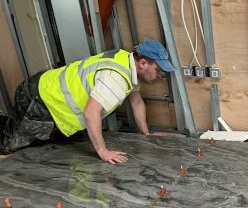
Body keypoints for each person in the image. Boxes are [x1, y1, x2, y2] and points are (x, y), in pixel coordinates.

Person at [0, 38, 174, 164]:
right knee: (12, 143)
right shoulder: (116, 77)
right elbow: (91, 113)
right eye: (158, 70)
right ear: (143, 63)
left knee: (28, 134)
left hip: (46, 87)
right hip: (39, 98)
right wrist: (103, 152)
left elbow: (136, 102)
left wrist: (146, 135)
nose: (159, 76)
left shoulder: (126, 62)